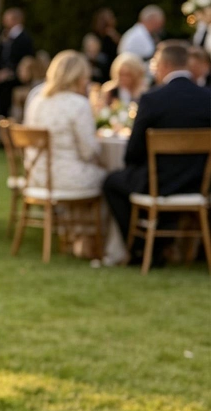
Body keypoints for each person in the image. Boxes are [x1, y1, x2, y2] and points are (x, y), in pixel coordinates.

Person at [103, 40, 211, 255]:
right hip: (200, 184)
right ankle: (171, 246)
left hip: (158, 184)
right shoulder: (207, 98)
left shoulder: (153, 99)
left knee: (112, 182)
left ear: (163, 66)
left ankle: (140, 249)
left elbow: (133, 152)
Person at [24, 51, 106, 196]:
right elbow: (88, 152)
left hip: (37, 176)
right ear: (78, 78)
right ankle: (85, 219)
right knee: (109, 177)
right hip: (68, 179)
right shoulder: (79, 104)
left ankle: (64, 218)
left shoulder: (37, 101)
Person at [0, 7, 34, 117]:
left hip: (16, 78)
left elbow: (26, 61)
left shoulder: (24, 39)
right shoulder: (4, 35)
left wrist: (9, 72)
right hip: (4, 75)